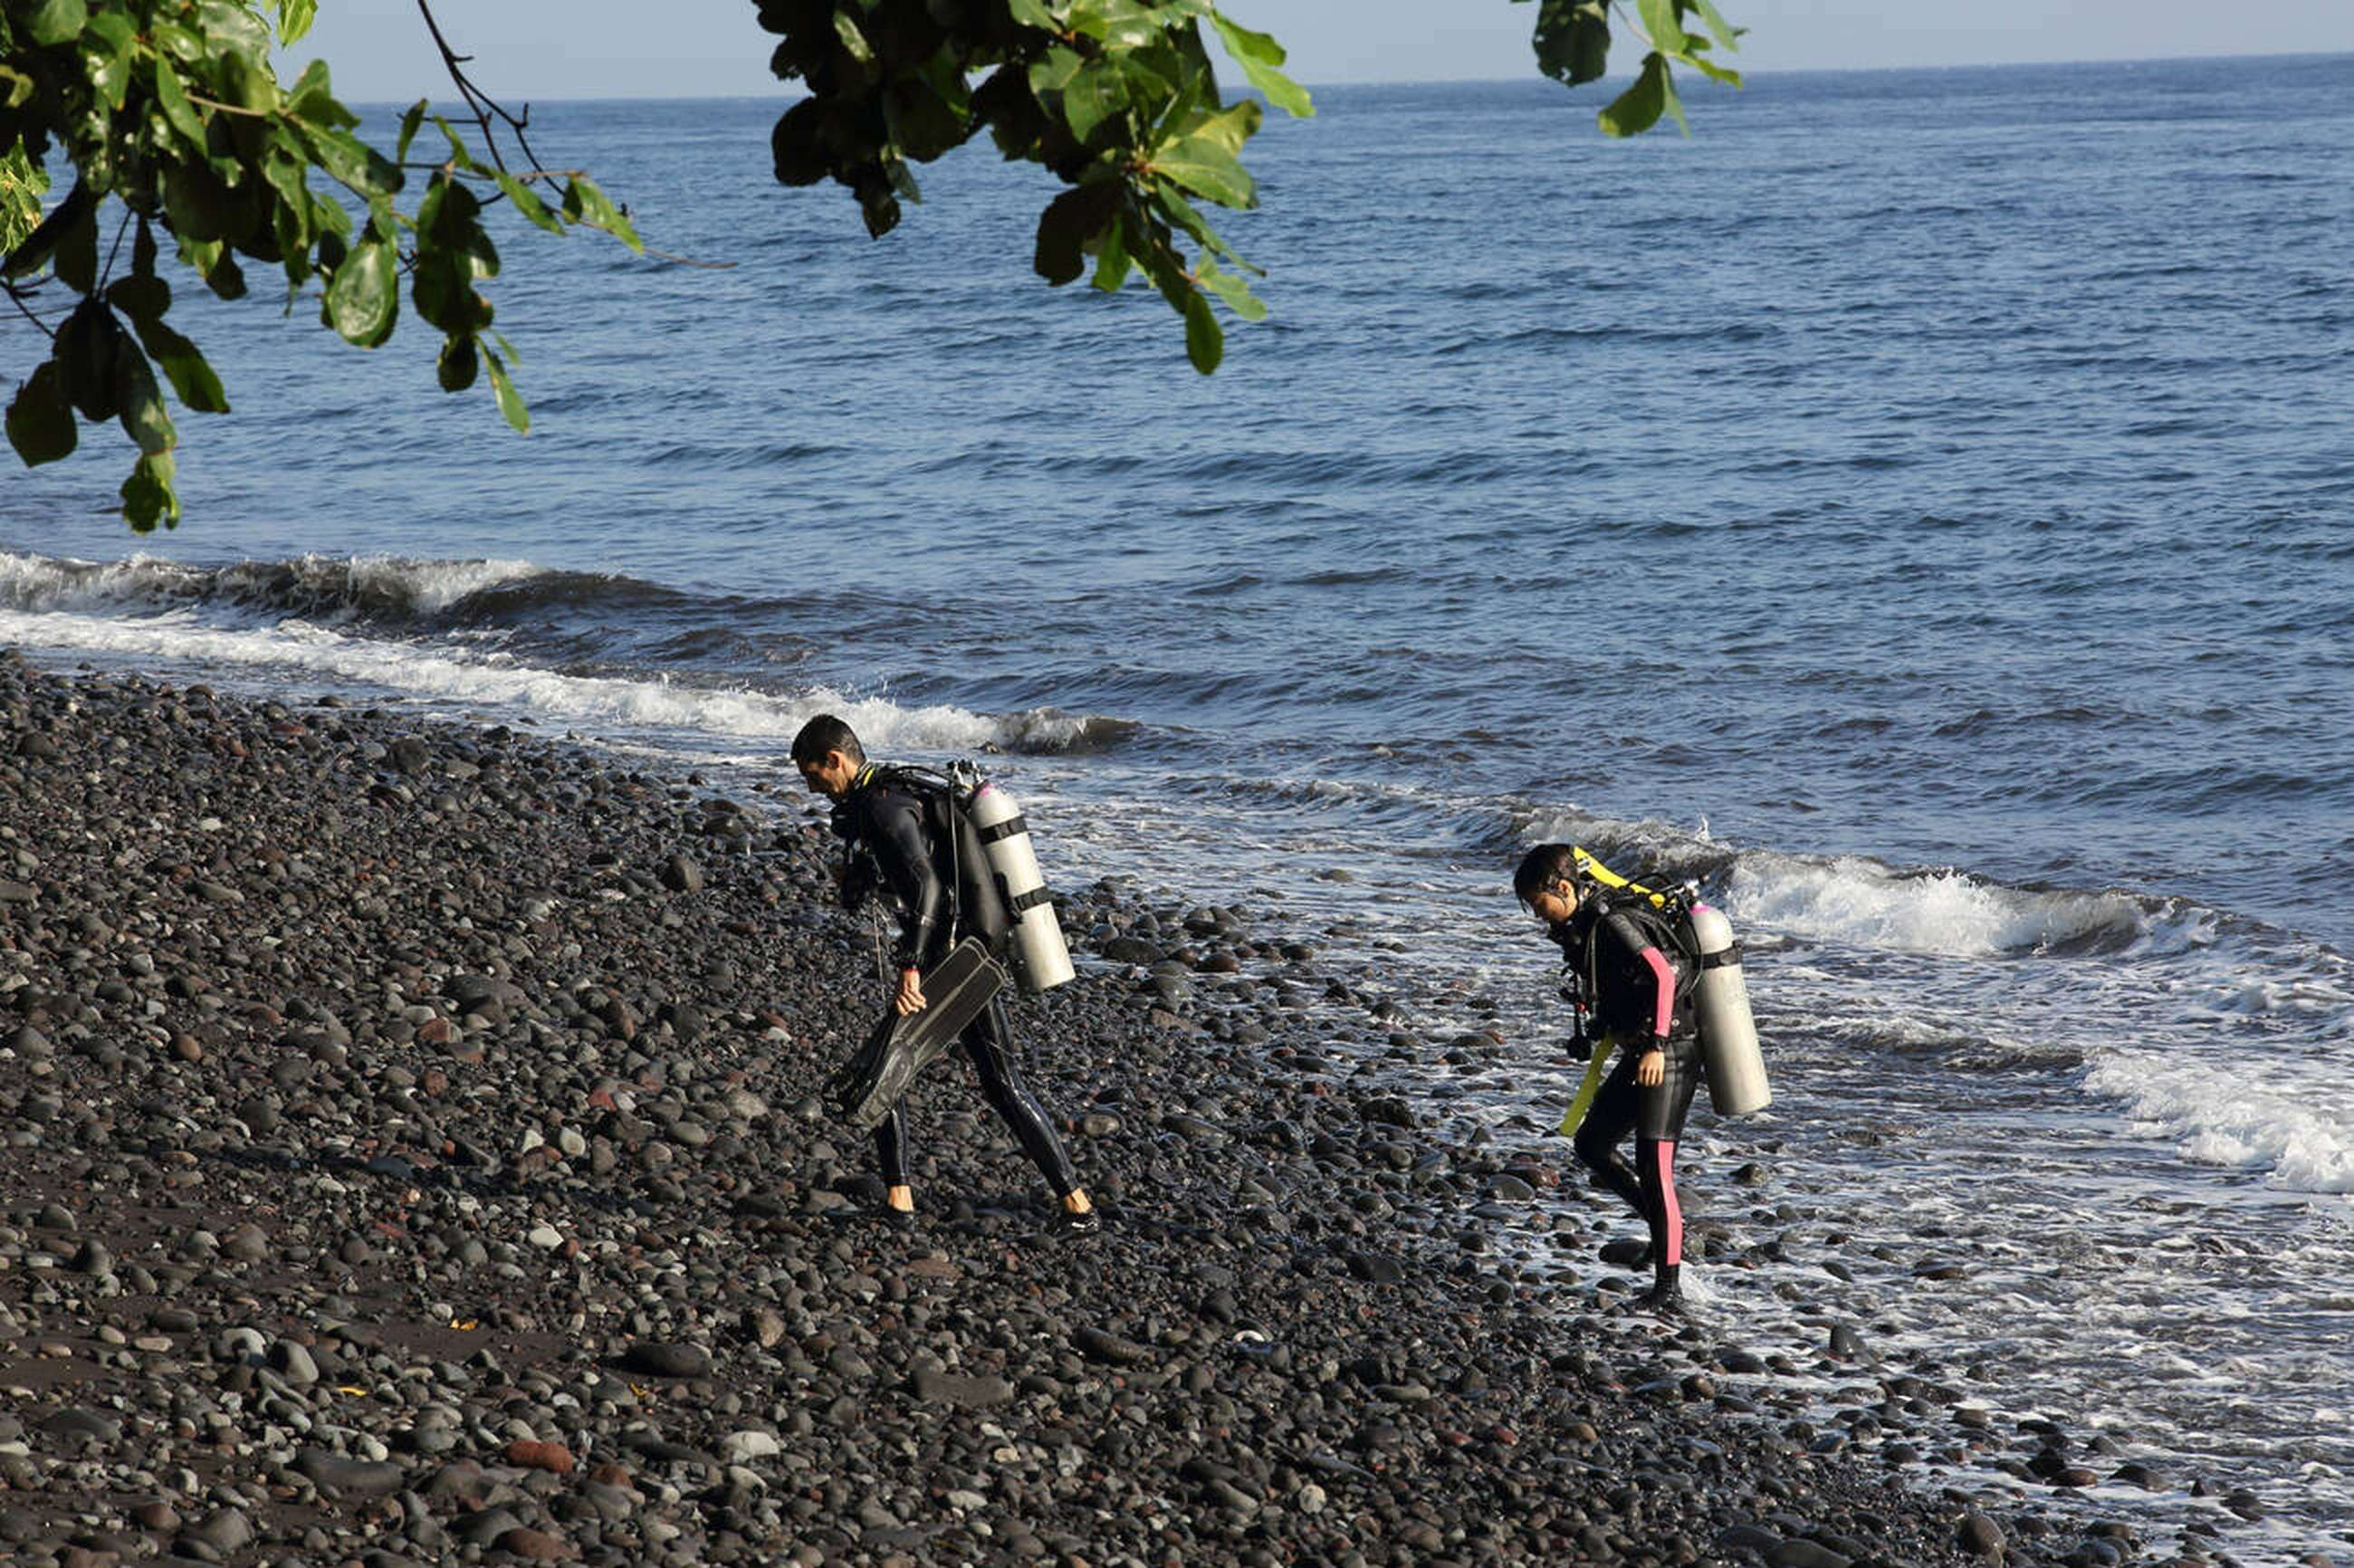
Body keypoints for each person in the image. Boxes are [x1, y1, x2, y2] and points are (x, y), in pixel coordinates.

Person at [790, 714, 1099, 1237]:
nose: (811, 787)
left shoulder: (885, 808)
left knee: (983, 1079)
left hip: (959, 958)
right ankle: (899, 1200)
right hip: (956, 948)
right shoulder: (883, 798)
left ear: (835, 760)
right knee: (894, 1065)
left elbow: (928, 889)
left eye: (813, 774)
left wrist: (911, 967)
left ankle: (1079, 1208)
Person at [1515, 843, 1699, 1312]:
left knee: (1654, 1167)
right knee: (1592, 1145)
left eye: (1539, 904)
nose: (1538, 915)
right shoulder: (1584, 929)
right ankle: (1666, 1230)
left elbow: (1664, 976)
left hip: (1670, 1051)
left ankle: (1669, 1290)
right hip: (1641, 1051)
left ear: (1563, 887)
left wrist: (1657, 1044)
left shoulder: (1614, 923)